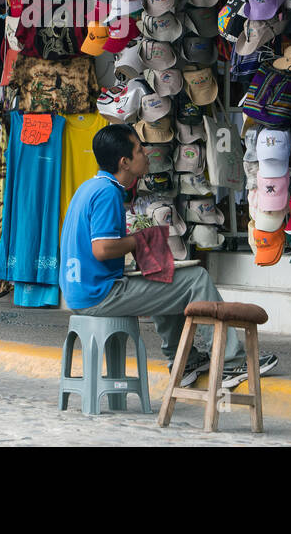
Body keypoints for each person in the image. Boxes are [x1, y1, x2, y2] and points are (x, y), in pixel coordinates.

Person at [59, 123, 277, 389]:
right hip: (99, 295)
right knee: (196, 278)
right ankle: (230, 363)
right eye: (140, 150)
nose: (146, 155)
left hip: (81, 292)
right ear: (124, 162)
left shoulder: (88, 188)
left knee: (163, 273)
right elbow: (102, 249)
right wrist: (138, 241)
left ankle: (184, 361)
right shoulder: (107, 193)